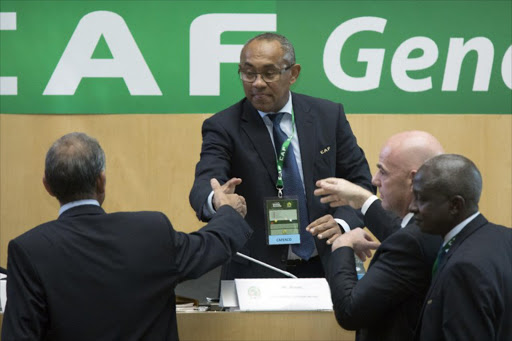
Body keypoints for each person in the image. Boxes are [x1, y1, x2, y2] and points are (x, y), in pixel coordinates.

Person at [1, 132, 252, 341]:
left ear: (47, 185)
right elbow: (212, 245)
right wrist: (227, 209)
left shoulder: (29, 250)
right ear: (102, 181)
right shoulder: (150, 231)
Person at [189, 32, 374, 279]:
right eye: (248, 72)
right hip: (256, 270)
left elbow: (361, 183)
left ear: (293, 73)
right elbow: (204, 184)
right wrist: (216, 200)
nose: (257, 82)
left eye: (269, 73)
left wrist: (341, 224)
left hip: (326, 264)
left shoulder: (328, 117)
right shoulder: (223, 126)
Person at [313, 131, 444, 341]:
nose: (374, 180)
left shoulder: (412, 241)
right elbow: (404, 233)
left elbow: (350, 311)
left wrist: (342, 246)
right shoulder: (439, 223)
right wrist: (364, 199)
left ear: (413, 178)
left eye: (383, 172)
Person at [410, 154, 512, 340]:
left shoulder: (464, 267)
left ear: (455, 205)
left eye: (421, 199)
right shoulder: (505, 237)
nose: (412, 207)